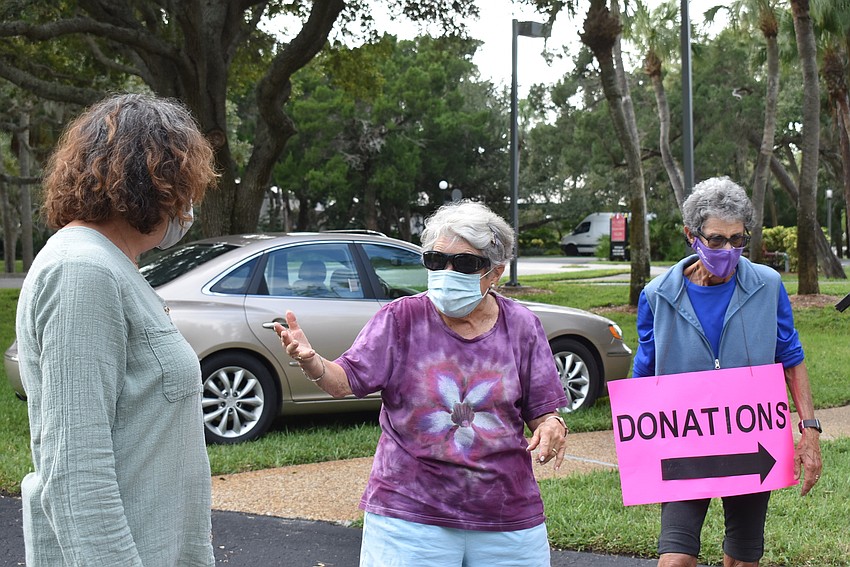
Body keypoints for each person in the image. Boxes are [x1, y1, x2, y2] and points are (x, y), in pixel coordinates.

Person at [275, 200, 569, 566]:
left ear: (495, 272)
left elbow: (543, 410)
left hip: (506, 516)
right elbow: (345, 381)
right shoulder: (401, 318)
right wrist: (312, 361)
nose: (447, 272)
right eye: (435, 260)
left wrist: (553, 425)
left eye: (464, 263)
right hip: (409, 515)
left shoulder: (522, 326)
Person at [16, 93, 218, 566]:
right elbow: (76, 475)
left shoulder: (111, 264)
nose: (187, 208)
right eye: (184, 189)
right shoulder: (82, 271)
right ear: (157, 184)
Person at [632, 177, 823, 567]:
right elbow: (644, 372)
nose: (728, 250)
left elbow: (791, 358)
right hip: (686, 440)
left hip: (752, 441)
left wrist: (810, 430)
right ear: (691, 235)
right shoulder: (657, 295)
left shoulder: (767, 285)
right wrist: (635, 445)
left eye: (738, 240)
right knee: (675, 559)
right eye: (716, 240)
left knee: (741, 558)